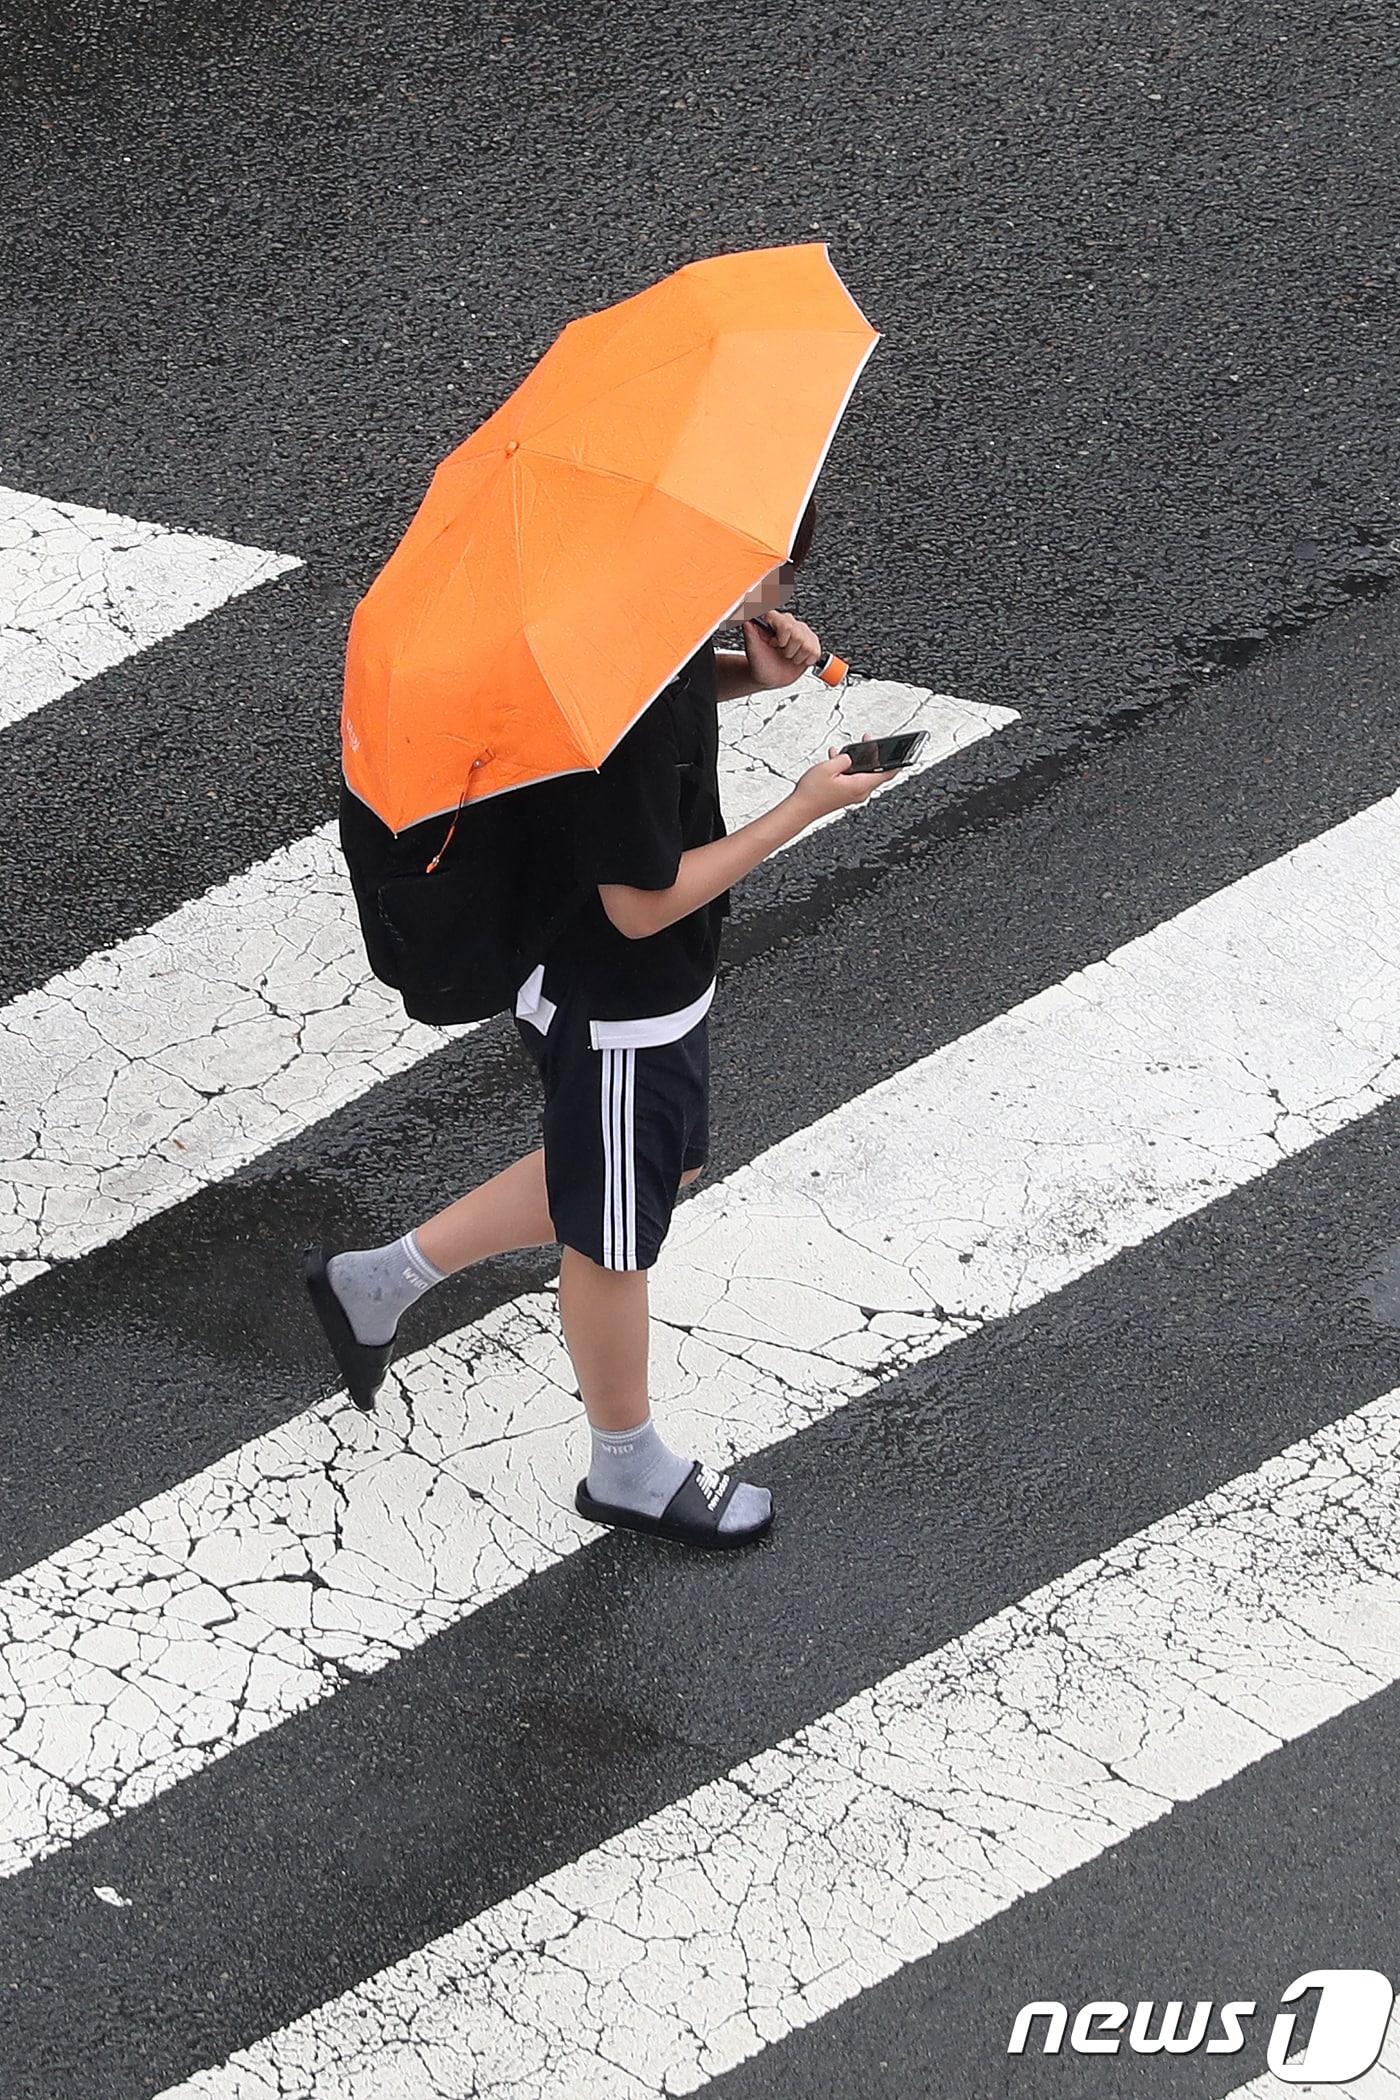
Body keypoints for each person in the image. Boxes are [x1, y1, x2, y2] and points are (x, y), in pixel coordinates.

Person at [305, 494, 897, 1547]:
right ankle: (625, 1468)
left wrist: (742, 675)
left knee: (646, 1177)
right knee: (612, 1235)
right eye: (778, 569)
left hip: (619, 987)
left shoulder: (628, 635)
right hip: (620, 998)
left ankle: (376, 1283)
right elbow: (640, 901)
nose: (781, 593)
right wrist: (801, 808)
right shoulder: (630, 691)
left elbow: (652, 723)